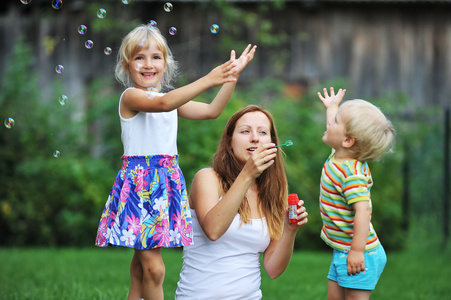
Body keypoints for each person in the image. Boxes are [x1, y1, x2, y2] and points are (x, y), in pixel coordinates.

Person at [94, 24, 257, 300]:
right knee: (155, 270)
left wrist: (230, 78)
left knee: (140, 268)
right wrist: (208, 78)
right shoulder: (131, 97)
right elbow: (163, 104)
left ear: (165, 63)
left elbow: (211, 111)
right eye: (139, 58)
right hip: (140, 189)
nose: (148, 64)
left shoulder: (169, 101)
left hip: (164, 187)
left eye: (156, 57)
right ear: (126, 65)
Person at [175, 105, 309, 299]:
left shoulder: (272, 194)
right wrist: (247, 174)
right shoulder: (207, 178)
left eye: (263, 132)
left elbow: (273, 269)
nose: (255, 137)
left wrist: (289, 230)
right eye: (245, 131)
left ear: (272, 144)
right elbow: (213, 230)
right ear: (230, 143)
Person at [317, 87, 395, 300]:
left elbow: (363, 211)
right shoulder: (339, 155)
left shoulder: (352, 175)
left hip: (360, 253)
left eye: (335, 122)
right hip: (342, 249)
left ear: (348, 141)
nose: (330, 123)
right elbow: (335, 130)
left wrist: (357, 251)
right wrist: (332, 108)